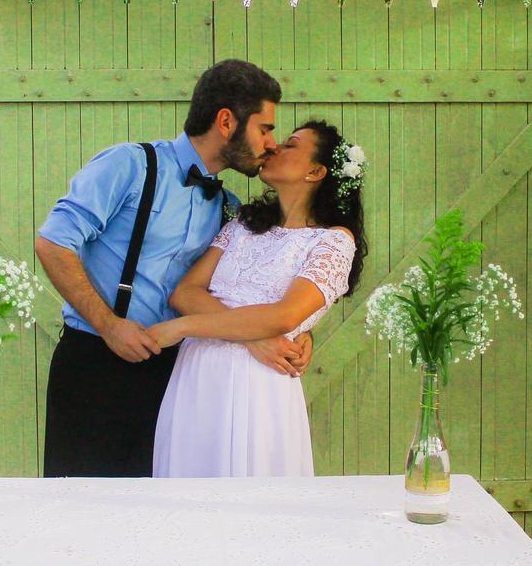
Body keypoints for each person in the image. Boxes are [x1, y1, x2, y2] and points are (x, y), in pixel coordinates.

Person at [35, 59, 315, 477]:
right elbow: (53, 242)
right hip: (96, 364)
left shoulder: (231, 209)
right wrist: (109, 325)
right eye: (265, 129)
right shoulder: (129, 166)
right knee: (83, 502)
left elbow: (251, 292)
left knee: (170, 504)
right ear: (226, 121)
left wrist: (297, 331)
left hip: (181, 374)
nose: (271, 144)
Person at [150, 119, 368, 477]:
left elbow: (285, 316)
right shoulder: (243, 225)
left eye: (291, 144)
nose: (274, 147)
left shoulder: (333, 242)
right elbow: (185, 292)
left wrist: (184, 327)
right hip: (198, 375)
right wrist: (255, 337)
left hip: (259, 384)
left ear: (315, 172)